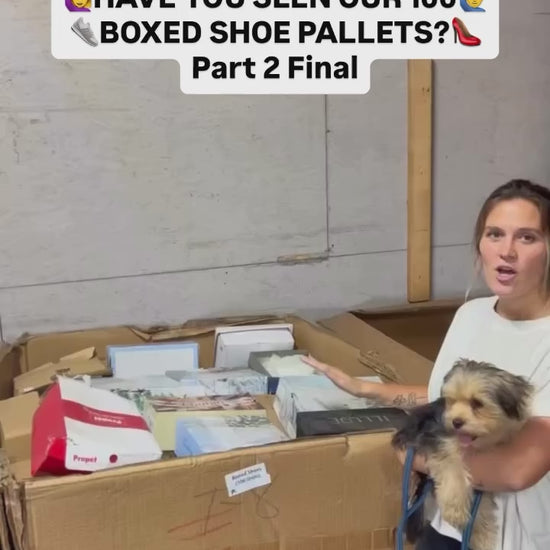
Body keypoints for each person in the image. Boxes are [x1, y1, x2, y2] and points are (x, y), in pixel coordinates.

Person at [302, 179, 550, 550]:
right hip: (449, 527)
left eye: (527, 237)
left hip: (517, 538)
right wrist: (367, 389)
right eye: (495, 234)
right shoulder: (471, 315)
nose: (507, 251)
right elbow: (453, 400)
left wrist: (415, 456)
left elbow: (517, 471)